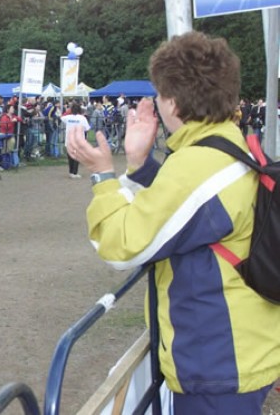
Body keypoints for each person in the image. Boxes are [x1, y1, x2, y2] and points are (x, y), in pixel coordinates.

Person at [67, 31, 280, 414]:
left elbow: (120, 246)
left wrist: (103, 176)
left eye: (159, 93)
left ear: (174, 102)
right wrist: (139, 163)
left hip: (218, 365)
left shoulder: (198, 165)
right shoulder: (227, 143)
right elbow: (191, 215)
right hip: (243, 347)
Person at [60, 101, 89, 178]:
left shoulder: (67, 117)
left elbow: (62, 117)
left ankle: (71, 172)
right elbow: (87, 128)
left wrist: (68, 111)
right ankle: (75, 172)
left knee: (70, 156)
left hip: (69, 139)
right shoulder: (82, 118)